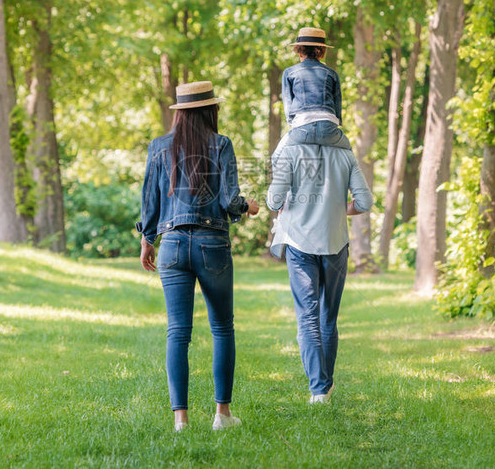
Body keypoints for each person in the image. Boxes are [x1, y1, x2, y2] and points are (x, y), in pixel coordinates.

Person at [137, 81, 259, 432]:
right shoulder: (221, 145)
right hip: (212, 245)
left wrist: (148, 239)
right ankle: (222, 415)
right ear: (210, 110)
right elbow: (229, 200)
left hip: (172, 245)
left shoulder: (158, 147)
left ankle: (181, 421)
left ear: (180, 113)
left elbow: (150, 201)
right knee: (222, 328)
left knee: (178, 332)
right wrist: (247, 207)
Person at [266, 127, 372, 403]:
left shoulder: (290, 151)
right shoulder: (345, 154)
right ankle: (325, 384)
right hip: (336, 243)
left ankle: (318, 389)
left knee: (307, 317)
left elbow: (273, 200)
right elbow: (365, 201)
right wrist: (339, 208)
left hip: (300, 244)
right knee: (328, 317)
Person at [274, 27, 351, 162]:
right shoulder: (332, 74)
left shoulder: (289, 72)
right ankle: (354, 183)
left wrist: (293, 123)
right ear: (322, 52)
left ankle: (280, 183)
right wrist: (336, 123)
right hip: (329, 130)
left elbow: (288, 104)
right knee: (350, 158)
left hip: (302, 129)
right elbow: (337, 105)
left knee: (276, 158)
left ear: (299, 51)